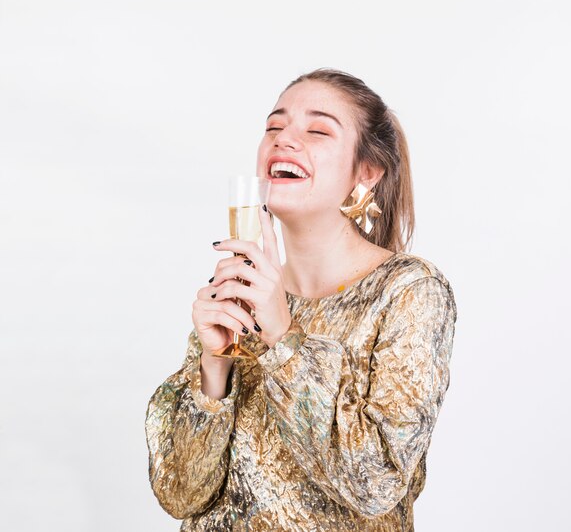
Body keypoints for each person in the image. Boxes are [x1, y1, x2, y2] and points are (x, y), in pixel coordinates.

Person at [145, 68, 457, 531]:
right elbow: (180, 494)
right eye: (274, 127)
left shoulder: (409, 291)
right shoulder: (241, 291)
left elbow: (375, 481)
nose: (284, 140)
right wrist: (215, 367)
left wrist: (282, 335)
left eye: (317, 130)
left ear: (366, 173)